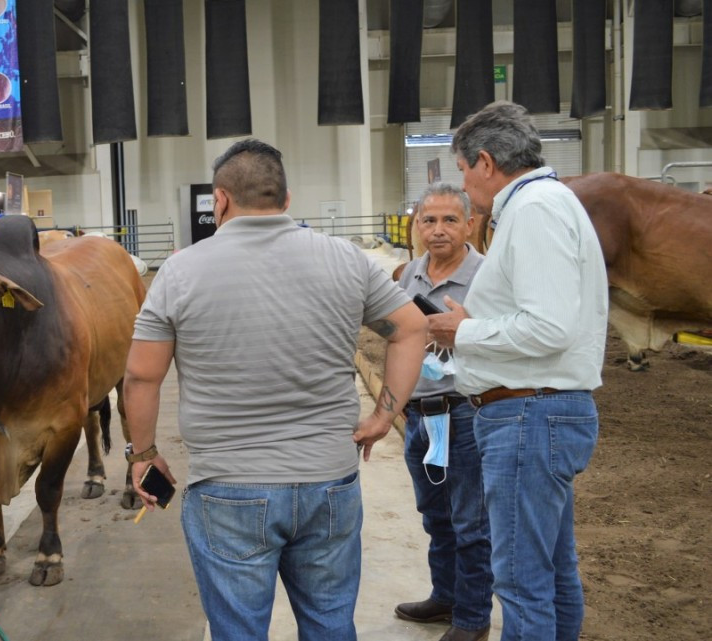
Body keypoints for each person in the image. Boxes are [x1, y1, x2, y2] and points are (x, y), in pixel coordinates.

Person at [123, 139, 427, 641]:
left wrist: (143, 453)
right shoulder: (345, 259)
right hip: (329, 482)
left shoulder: (180, 271)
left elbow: (141, 376)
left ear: (220, 200)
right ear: (286, 199)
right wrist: (382, 416)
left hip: (228, 489)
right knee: (330, 625)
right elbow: (411, 329)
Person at [427, 102, 608, 641]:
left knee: (522, 579)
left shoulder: (534, 210)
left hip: (529, 413)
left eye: (463, 169)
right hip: (539, 409)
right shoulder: (547, 203)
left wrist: (464, 331)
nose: (465, 184)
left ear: (485, 162)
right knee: (550, 569)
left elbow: (548, 327)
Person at [394, 183, 492, 641]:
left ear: (469, 224)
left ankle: (472, 617)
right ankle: (445, 596)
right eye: (428, 220)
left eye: (450, 220)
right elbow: (395, 336)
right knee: (435, 515)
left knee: (471, 520)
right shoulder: (408, 275)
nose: (438, 230)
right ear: (417, 225)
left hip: (465, 412)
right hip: (420, 413)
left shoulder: (487, 276)